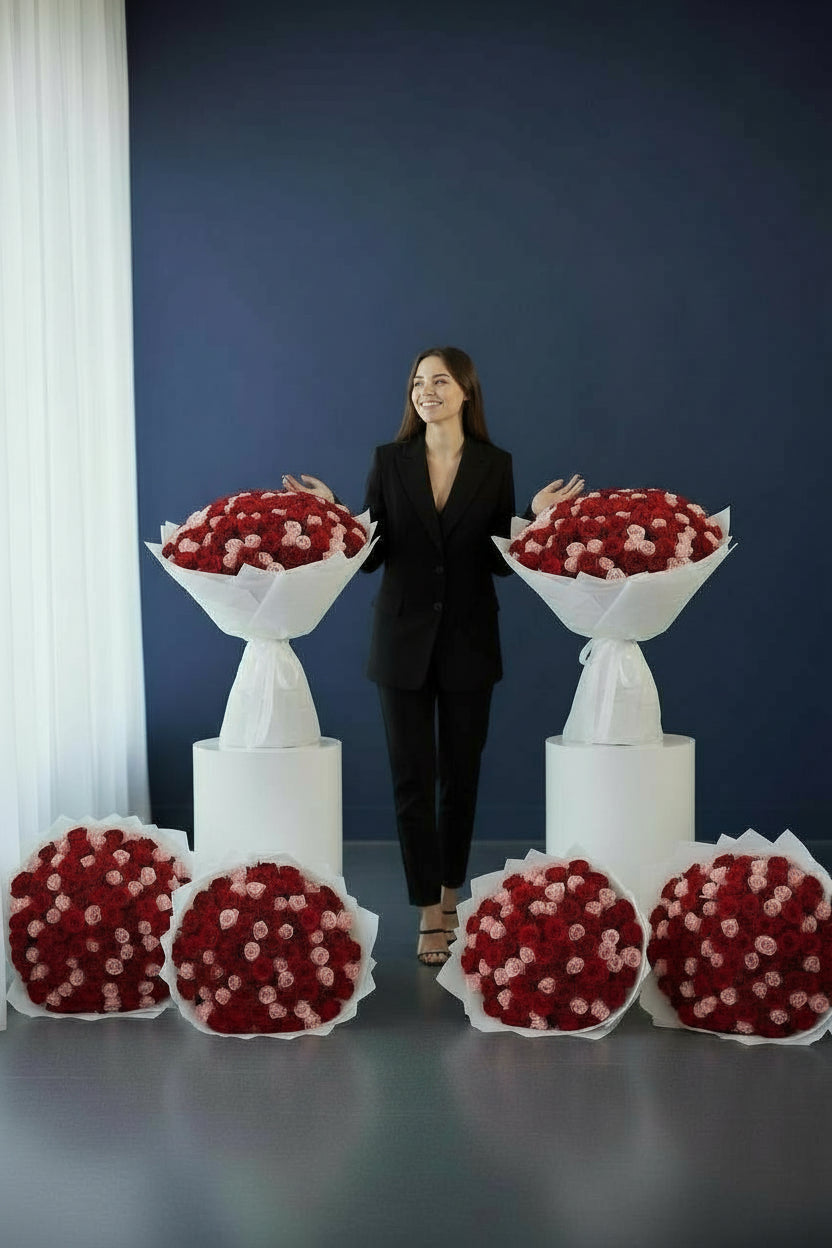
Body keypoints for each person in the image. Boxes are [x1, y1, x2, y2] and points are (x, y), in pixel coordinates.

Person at [284, 347, 583, 965]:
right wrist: (333, 511)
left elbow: (499, 564)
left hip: (471, 640)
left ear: (466, 391)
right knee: (411, 780)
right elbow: (372, 556)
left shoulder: (495, 465)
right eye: (419, 382)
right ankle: (427, 912)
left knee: (460, 779)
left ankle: (450, 897)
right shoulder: (388, 461)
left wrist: (533, 519)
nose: (427, 391)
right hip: (400, 643)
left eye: (440, 381)